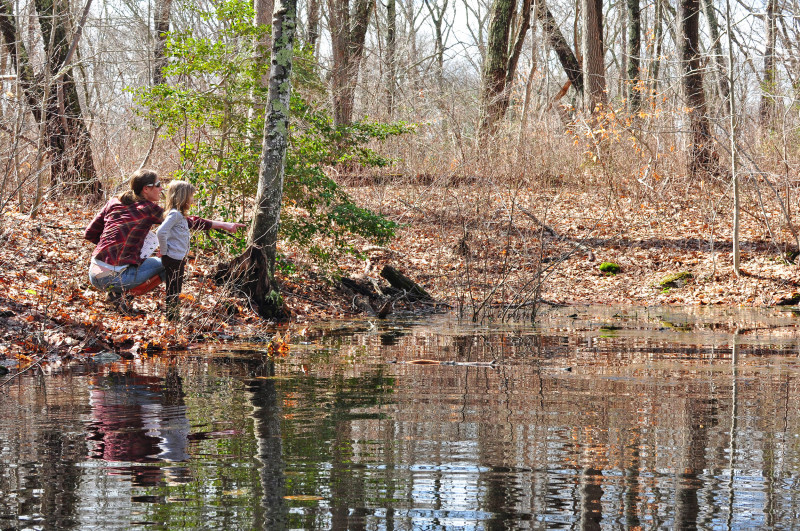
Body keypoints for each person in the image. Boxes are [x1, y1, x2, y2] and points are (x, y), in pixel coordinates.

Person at [84, 169, 243, 314]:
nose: (161, 188)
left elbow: (90, 233)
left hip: (94, 273)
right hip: (114, 278)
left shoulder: (113, 201)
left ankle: (116, 295)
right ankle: (126, 299)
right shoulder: (147, 208)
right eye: (158, 185)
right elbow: (185, 221)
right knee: (173, 262)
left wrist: (114, 249)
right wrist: (224, 225)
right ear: (146, 189)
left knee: (154, 261)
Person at [156, 180, 196, 321]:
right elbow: (161, 232)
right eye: (191, 196)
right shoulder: (175, 215)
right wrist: (165, 250)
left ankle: (173, 316)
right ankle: (173, 318)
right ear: (183, 196)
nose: (192, 199)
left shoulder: (179, 214)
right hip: (173, 257)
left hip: (178, 257)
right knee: (173, 289)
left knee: (175, 288)